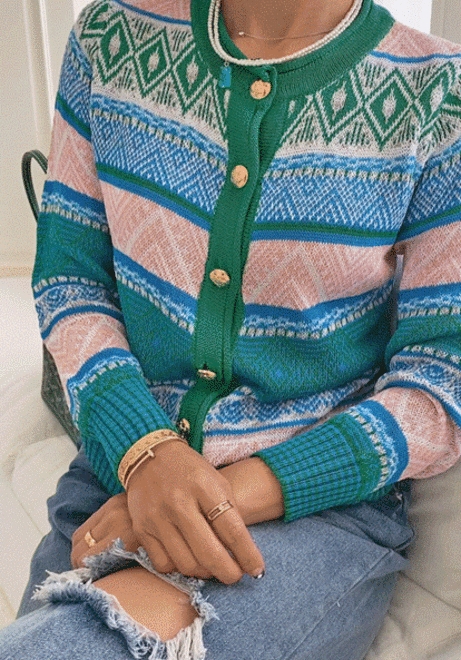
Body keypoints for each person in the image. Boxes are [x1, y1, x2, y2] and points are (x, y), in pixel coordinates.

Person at [1, 0, 461, 657]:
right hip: (118, 478)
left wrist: (210, 495)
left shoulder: (438, 94)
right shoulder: (109, 38)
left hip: (316, 505)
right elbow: (70, 282)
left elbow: (441, 382)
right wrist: (146, 452)